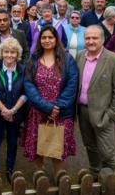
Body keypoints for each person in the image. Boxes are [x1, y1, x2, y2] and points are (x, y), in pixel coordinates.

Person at [23, 25, 78, 175]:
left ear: (56, 39)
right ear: (39, 40)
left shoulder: (67, 59)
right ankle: (39, 173)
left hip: (60, 112)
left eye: (50, 37)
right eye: (43, 37)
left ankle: (59, 177)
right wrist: (46, 107)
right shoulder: (33, 59)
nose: (47, 40)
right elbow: (28, 84)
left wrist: (56, 107)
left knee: (57, 147)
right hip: (38, 110)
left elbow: (72, 84)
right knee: (38, 145)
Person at [76, 25, 115, 179]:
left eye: (94, 38)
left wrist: (110, 115)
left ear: (103, 39)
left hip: (103, 114)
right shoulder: (79, 56)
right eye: (87, 38)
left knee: (106, 151)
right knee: (90, 146)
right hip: (83, 111)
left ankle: (112, 179)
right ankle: (95, 172)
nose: (91, 41)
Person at [0, 38, 27, 183]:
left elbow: (25, 92)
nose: (9, 55)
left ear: (18, 54)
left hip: (15, 113)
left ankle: (10, 169)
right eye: (6, 52)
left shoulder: (23, 69)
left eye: (13, 52)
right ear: (1, 53)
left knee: (12, 142)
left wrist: (13, 111)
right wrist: (4, 110)